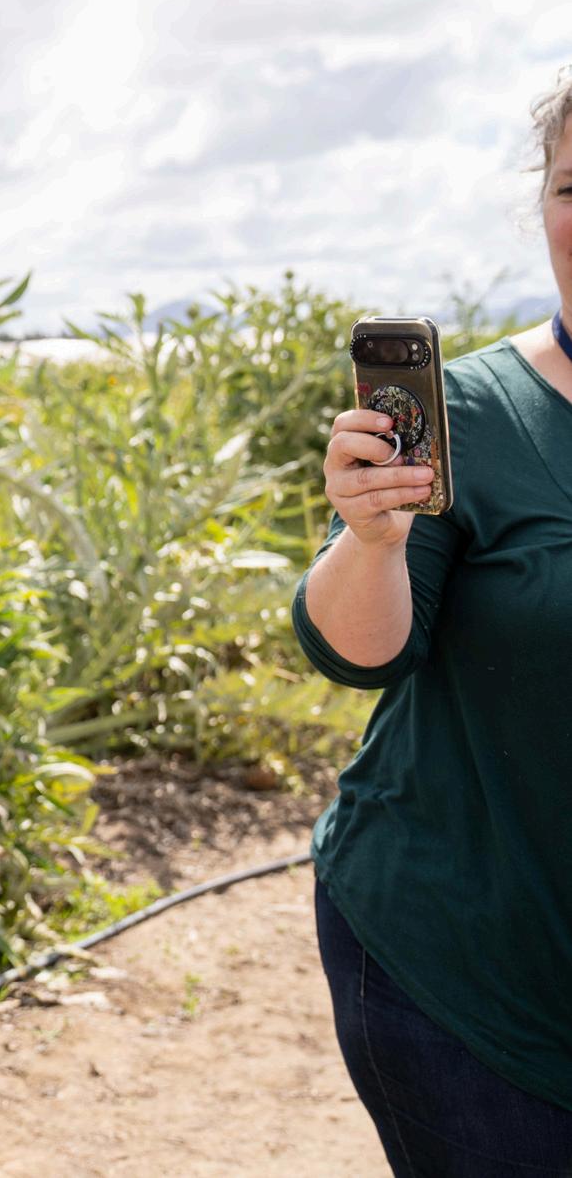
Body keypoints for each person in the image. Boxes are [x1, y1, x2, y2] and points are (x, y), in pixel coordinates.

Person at [295, 71, 572, 1174]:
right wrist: (368, 539)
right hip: (459, 970)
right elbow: (355, 650)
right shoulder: (470, 411)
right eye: (571, 187)